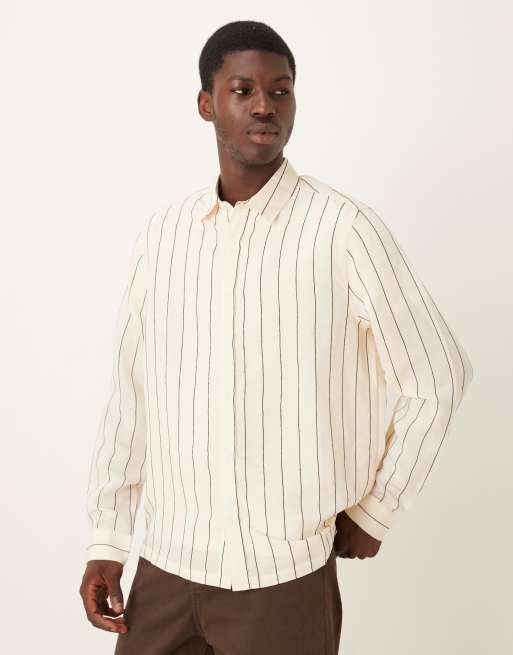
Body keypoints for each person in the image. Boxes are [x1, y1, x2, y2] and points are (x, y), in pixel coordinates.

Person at [79, 19, 474, 655]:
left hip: (281, 578)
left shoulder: (343, 229)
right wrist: (107, 541)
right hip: (165, 571)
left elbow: (439, 373)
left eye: (280, 90)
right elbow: (132, 396)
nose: (264, 105)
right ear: (207, 104)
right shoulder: (163, 237)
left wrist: (377, 509)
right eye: (243, 90)